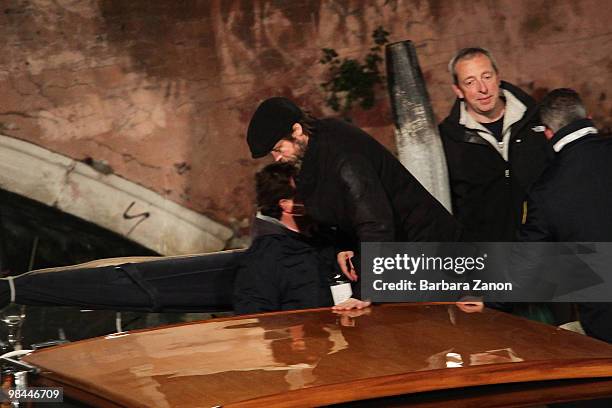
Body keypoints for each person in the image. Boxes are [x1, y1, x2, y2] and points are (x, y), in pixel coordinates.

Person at [247, 97, 461, 280]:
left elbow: (375, 221)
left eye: (278, 149)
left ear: (297, 130)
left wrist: (367, 290)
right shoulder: (314, 151)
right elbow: (341, 208)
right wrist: (344, 246)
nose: (277, 158)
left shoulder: (343, 154)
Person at [518, 88, 612, 343]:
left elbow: (527, 263)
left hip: (605, 329)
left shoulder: (546, 191)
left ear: (548, 132)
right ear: (588, 118)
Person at [439, 47, 552, 241]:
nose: (482, 88)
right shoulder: (448, 139)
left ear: (498, 78)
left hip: (547, 249)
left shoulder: (537, 119)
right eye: (470, 82)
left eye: (487, 77)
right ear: (458, 90)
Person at [233, 162, 370, 314]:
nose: (320, 198)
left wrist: (355, 257)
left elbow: (391, 281)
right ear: (286, 205)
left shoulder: (331, 236)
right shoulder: (266, 255)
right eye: (308, 193)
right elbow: (253, 314)